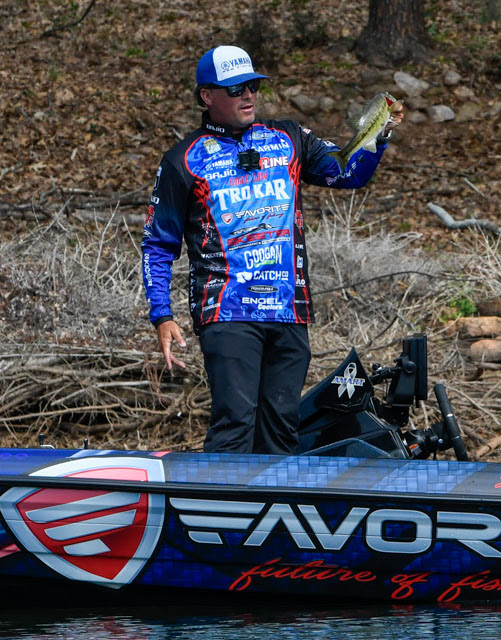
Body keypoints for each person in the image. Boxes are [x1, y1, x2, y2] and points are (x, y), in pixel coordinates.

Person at [141, 45, 402, 455]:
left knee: (281, 431)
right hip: (226, 311)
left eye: (253, 86)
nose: (248, 96)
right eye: (236, 89)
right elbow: (158, 243)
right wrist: (161, 315)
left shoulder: (288, 138)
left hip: (288, 307)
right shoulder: (183, 160)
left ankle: (272, 517)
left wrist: (379, 135)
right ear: (207, 96)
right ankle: (219, 516)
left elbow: (347, 173)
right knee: (234, 426)